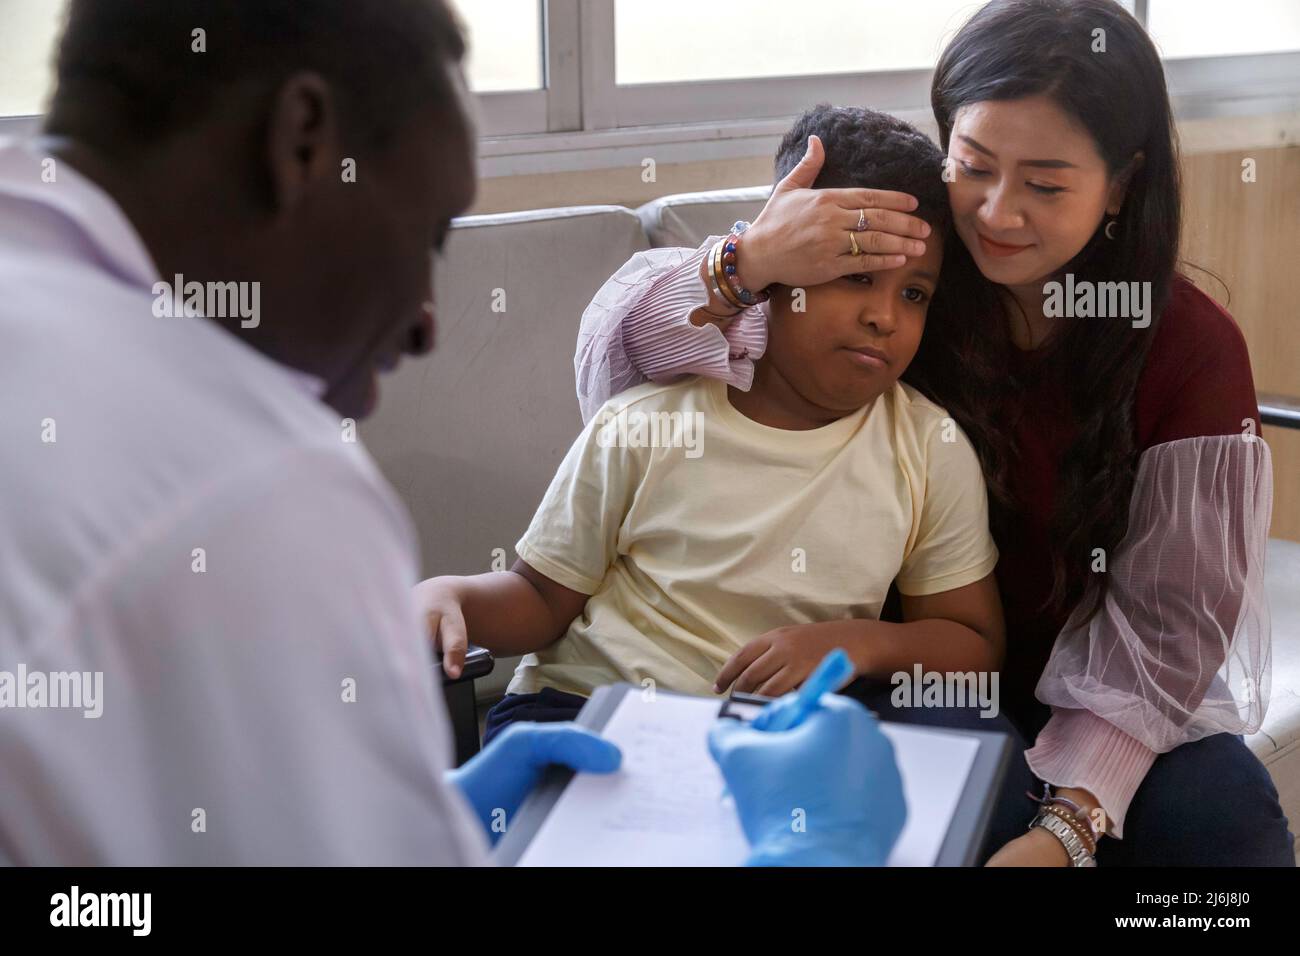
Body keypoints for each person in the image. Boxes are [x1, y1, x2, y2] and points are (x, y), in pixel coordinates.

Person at [0, 0, 903, 867]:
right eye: (429, 233)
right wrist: (814, 850)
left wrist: (429, 817)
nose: (427, 322)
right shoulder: (260, 481)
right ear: (303, 141)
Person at [562, 0, 1293, 866]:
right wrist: (746, 261)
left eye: (1046, 185)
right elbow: (617, 373)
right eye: (975, 166)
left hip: (1110, 706)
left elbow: (1165, 640)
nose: (996, 213)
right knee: (952, 806)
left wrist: (1067, 829)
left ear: (1121, 187)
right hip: (916, 681)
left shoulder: (1189, 350)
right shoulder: (908, 282)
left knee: (1224, 829)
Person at [422, 107, 1006, 746]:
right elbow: (537, 602)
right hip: (589, 712)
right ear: (782, 266)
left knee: (984, 742)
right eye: (856, 276)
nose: (884, 317)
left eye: (914, 294)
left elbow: (972, 642)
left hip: (774, 739)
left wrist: (853, 645)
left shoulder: (928, 446)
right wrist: (453, 596)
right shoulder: (647, 420)